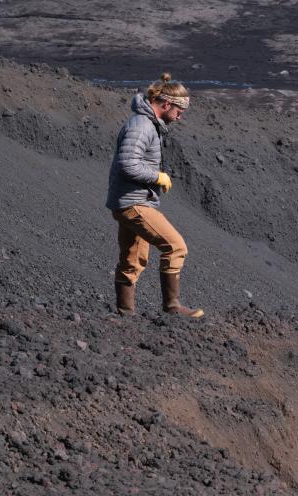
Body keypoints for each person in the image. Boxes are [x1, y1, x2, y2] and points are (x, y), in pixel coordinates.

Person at [105, 72, 204, 318]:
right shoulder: (141, 126)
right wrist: (158, 177)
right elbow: (128, 163)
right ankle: (172, 307)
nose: (181, 115)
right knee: (175, 246)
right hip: (134, 203)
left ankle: (125, 313)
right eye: (180, 109)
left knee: (133, 259)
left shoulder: (147, 124)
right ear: (166, 104)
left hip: (130, 200)